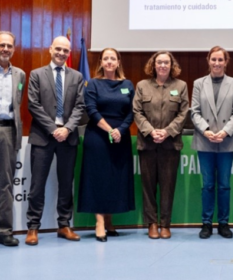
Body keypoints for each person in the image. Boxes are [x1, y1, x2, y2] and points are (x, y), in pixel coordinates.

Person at [25, 36, 84, 246]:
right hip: (43, 136)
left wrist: (67, 128)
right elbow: (33, 105)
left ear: (69, 53)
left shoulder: (77, 77)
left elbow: (80, 107)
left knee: (66, 183)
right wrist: (53, 129)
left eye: (65, 50)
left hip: (68, 137)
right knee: (37, 184)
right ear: (50, 49)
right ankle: (33, 227)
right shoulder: (36, 74)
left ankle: (64, 224)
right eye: (58, 49)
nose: (61, 53)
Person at [77, 48, 135, 242]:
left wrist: (121, 130)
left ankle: (110, 220)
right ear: (100, 62)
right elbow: (91, 110)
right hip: (98, 137)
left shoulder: (127, 84)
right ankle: (99, 222)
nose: (109, 62)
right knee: (99, 179)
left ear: (118, 62)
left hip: (121, 136)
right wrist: (110, 129)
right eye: (106, 59)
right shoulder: (93, 84)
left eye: (113, 58)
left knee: (115, 179)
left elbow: (132, 112)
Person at [133, 51, 189, 239]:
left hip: (170, 145)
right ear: (153, 65)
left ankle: (165, 224)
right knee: (148, 187)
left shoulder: (180, 86)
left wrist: (166, 132)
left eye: (166, 62)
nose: (163, 65)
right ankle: (152, 223)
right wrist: (151, 131)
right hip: (147, 144)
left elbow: (183, 113)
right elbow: (137, 111)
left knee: (167, 185)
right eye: (159, 62)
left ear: (171, 65)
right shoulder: (142, 86)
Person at [191, 46, 233, 239]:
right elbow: (194, 111)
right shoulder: (198, 83)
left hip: (226, 141)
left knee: (223, 185)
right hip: (205, 141)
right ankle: (206, 223)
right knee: (208, 185)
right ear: (208, 60)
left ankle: (223, 223)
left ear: (226, 61)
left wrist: (224, 131)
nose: (217, 63)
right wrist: (205, 130)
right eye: (214, 59)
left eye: (220, 60)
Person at [0, 31, 26, 247]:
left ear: (14, 49)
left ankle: (4, 230)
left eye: (9, 45)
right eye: (1, 45)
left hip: (8, 131)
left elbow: (17, 104)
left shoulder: (20, 74)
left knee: (6, 183)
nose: (5, 49)